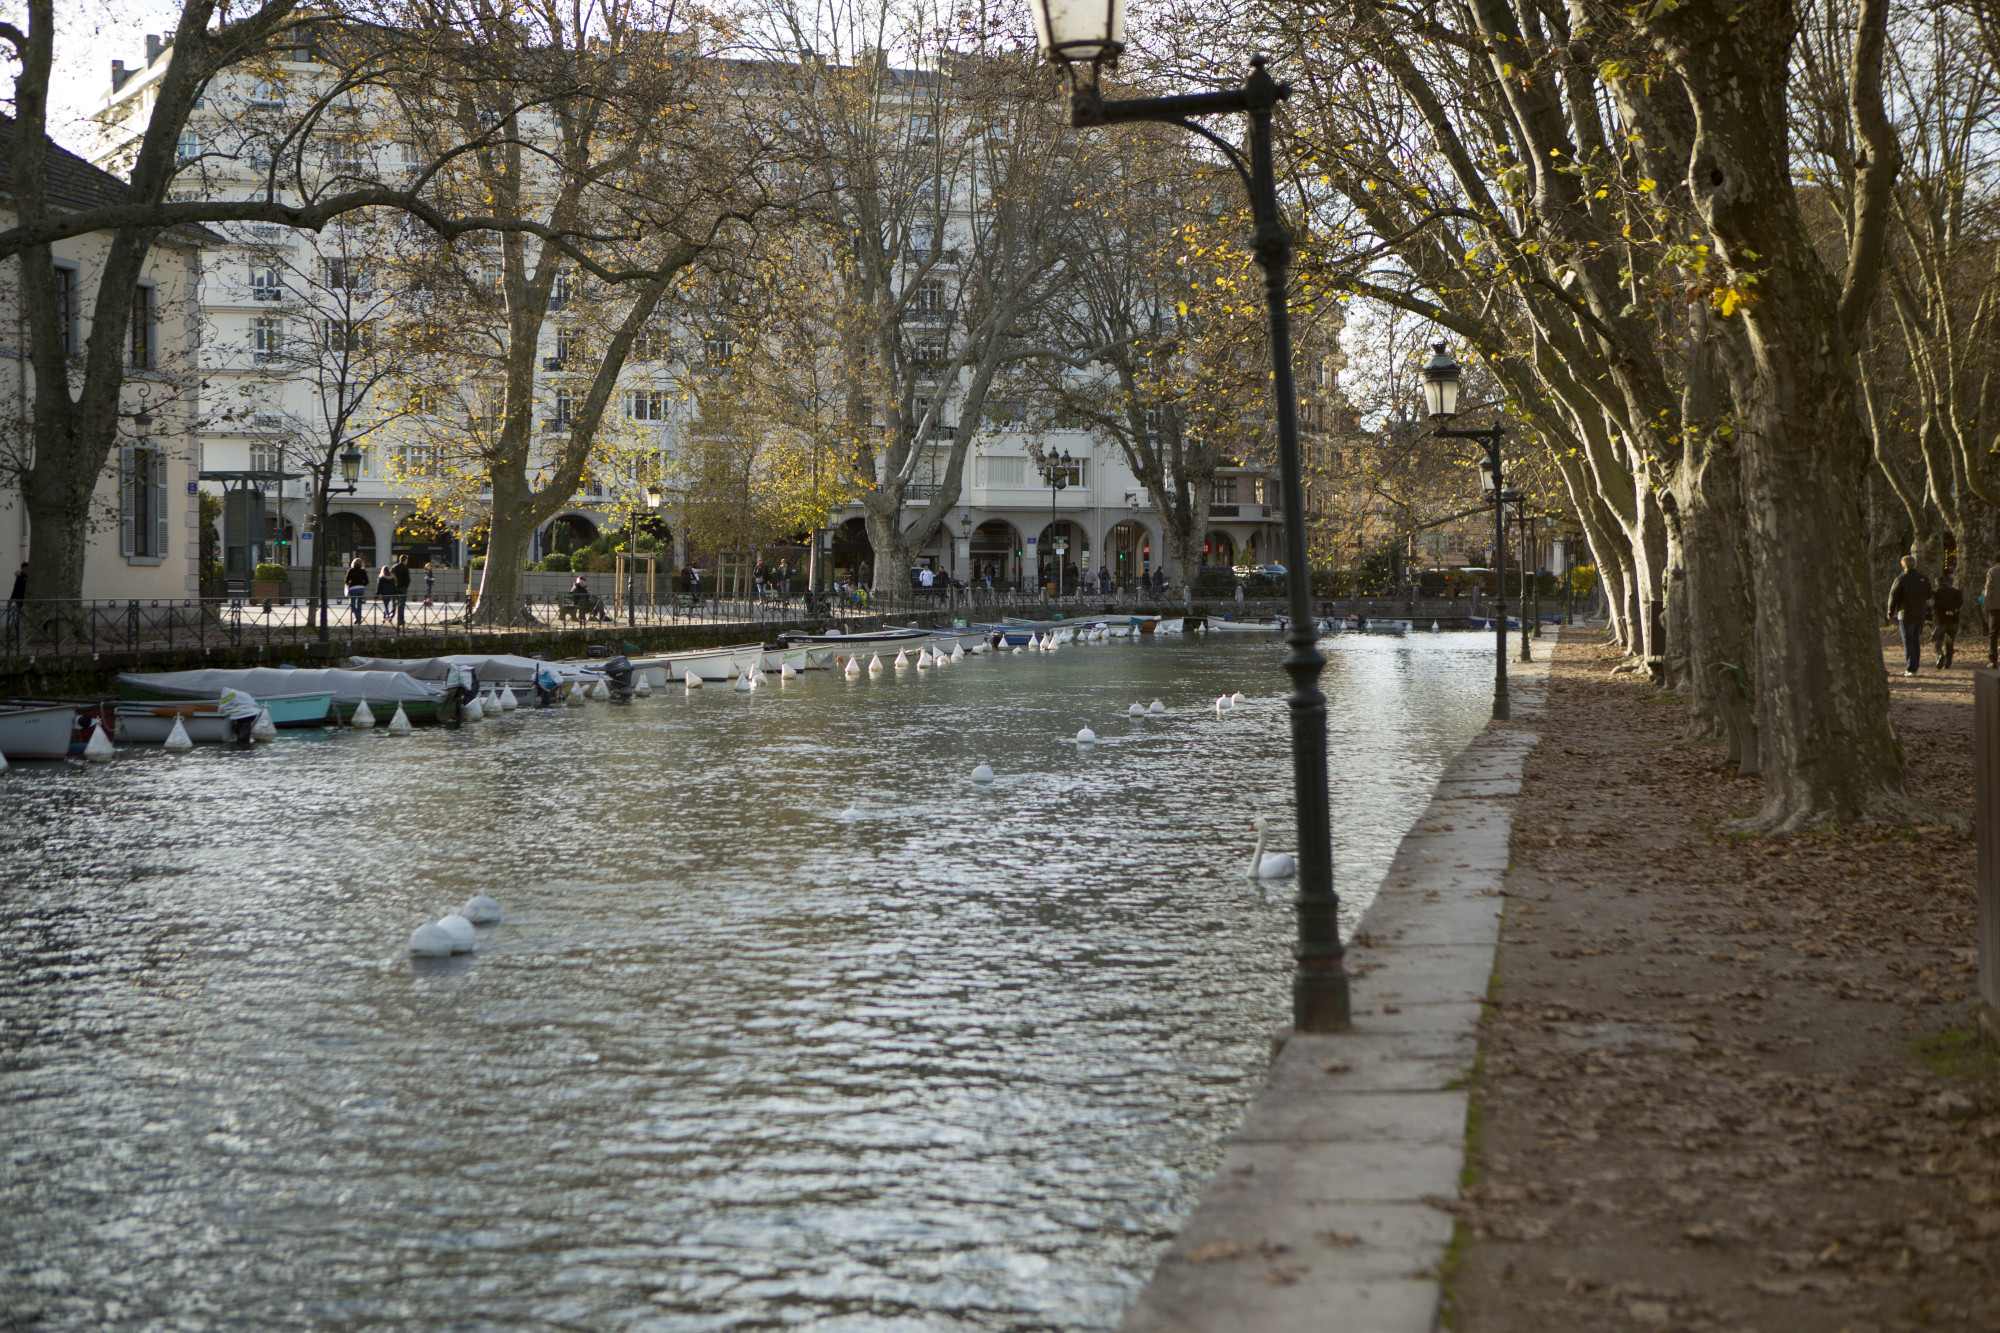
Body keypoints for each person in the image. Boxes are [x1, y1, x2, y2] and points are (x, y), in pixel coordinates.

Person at [1886, 554, 1933, 676]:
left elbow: (1893, 596)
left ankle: (1911, 668)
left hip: (1905, 613)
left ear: (1903, 565)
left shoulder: (1901, 579)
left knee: (1908, 640)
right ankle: (1915, 666)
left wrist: (1890, 611)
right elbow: (1929, 594)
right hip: (1920, 612)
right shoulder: (1923, 578)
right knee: (1915, 639)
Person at [1933, 572, 1964, 669]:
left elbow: (1935, 604)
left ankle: (1939, 654)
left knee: (1936, 640)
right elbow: (1960, 601)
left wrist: (1946, 610)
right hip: (1953, 620)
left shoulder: (1936, 593)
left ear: (1936, 583)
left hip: (1940, 620)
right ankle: (1948, 663)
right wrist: (1952, 610)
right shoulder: (1956, 592)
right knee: (1950, 642)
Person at [344, 557, 369, 623]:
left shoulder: (351, 570)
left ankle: (357, 616)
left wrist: (348, 585)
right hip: (361, 588)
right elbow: (367, 581)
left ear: (353, 563)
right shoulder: (363, 571)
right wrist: (363, 585)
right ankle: (358, 619)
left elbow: (346, 580)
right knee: (359, 604)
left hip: (353, 588)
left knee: (352, 604)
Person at [1986, 558, 2000, 668]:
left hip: (1995, 606)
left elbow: (1989, 588)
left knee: (1993, 634)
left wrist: (1985, 604)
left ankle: (1993, 660)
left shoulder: (1992, 571)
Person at [392, 554, 412, 625]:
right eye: (407, 560)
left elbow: (392, 577)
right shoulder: (405, 568)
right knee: (402, 604)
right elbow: (408, 579)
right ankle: (400, 619)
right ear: (405, 560)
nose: (407, 562)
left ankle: (392, 615)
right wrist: (406, 586)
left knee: (395, 602)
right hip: (403, 588)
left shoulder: (394, 567)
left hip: (396, 587)